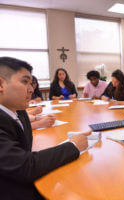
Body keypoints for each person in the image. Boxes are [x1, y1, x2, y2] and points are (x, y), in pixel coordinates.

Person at [0, 57, 89, 199]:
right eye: (24, 82)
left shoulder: (19, 111)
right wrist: (72, 145)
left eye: (31, 83)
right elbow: (25, 166)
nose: (31, 89)